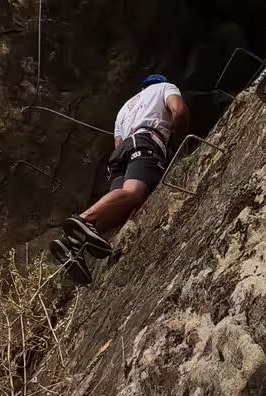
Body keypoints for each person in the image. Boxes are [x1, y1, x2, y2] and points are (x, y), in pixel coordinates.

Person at [52, 72, 189, 272]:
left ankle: (73, 243)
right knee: (133, 192)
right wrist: (179, 135)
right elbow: (178, 110)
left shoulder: (124, 109)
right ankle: (83, 219)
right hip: (146, 142)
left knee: (119, 210)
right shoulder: (165, 88)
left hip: (121, 152)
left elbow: (117, 143)